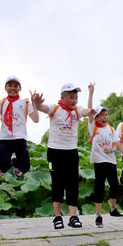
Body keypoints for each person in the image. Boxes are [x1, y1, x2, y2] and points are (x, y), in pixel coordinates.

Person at [32, 84, 95, 229]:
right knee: (57, 184)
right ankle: (57, 217)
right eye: (71, 97)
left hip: (71, 152)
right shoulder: (55, 108)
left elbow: (86, 111)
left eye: (76, 98)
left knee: (73, 184)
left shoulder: (77, 110)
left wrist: (90, 110)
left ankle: (73, 217)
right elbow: (42, 108)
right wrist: (37, 103)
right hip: (54, 153)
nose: (74, 101)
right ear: (62, 97)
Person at [0, 76, 39, 182]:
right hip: (5, 138)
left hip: (20, 137)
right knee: (4, 165)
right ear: (5, 88)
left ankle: (15, 164)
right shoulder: (1, 102)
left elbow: (36, 119)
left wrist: (34, 103)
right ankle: (1, 171)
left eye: (16, 86)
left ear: (20, 88)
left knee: (25, 166)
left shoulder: (25, 102)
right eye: (10, 86)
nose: (12, 88)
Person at [87, 99, 123, 228]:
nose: (105, 117)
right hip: (99, 161)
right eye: (101, 115)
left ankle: (113, 209)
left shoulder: (110, 128)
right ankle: (98, 216)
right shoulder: (93, 126)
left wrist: (122, 153)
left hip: (111, 161)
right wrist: (91, 92)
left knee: (114, 185)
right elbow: (89, 111)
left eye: (106, 115)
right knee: (100, 188)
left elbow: (116, 143)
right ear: (96, 117)